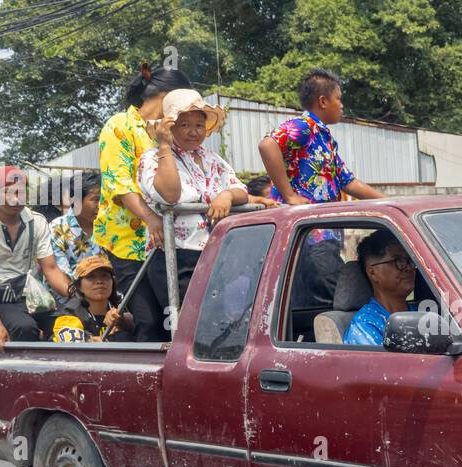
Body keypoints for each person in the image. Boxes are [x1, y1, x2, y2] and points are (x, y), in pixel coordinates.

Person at [138, 89, 276, 309]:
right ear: (168, 126)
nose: (193, 132)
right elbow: (171, 195)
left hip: (217, 253)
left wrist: (226, 195)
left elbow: (239, 189)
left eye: (199, 125)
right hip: (177, 255)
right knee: (187, 321)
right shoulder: (153, 157)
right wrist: (164, 145)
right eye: (184, 125)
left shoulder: (212, 158)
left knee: (218, 319)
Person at [93, 62, 193, 341]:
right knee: (146, 320)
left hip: (170, 241)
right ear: (166, 96)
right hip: (130, 242)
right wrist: (150, 219)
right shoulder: (119, 125)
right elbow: (119, 183)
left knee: (174, 317)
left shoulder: (171, 132)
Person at [0, 165, 73, 352]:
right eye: (9, 192)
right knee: (24, 328)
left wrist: (79, 297)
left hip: (33, 295)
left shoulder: (37, 221)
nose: (16, 198)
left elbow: (50, 268)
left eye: (21, 192)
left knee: (69, 324)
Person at [257, 68, 386, 205]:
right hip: (301, 223)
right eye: (338, 99)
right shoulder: (304, 126)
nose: (341, 106)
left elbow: (348, 182)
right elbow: (267, 145)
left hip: (324, 222)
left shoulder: (324, 139)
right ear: (323, 102)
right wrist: (290, 196)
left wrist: (390, 202)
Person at [344, 229, 417, 346]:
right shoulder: (365, 325)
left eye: (410, 260)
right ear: (373, 273)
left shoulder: (422, 312)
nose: (409, 268)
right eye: (398, 261)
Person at [51, 254, 133, 342]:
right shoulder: (70, 313)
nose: (99, 281)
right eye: (91, 277)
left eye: (105, 276)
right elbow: (70, 343)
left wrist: (122, 321)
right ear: (79, 286)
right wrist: (89, 340)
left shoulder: (121, 307)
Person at [48, 170, 103, 279]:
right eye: (95, 199)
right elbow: (61, 275)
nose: (101, 205)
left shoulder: (108, 226)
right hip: (69, 294)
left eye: (104, 199)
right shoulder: (57, 228)